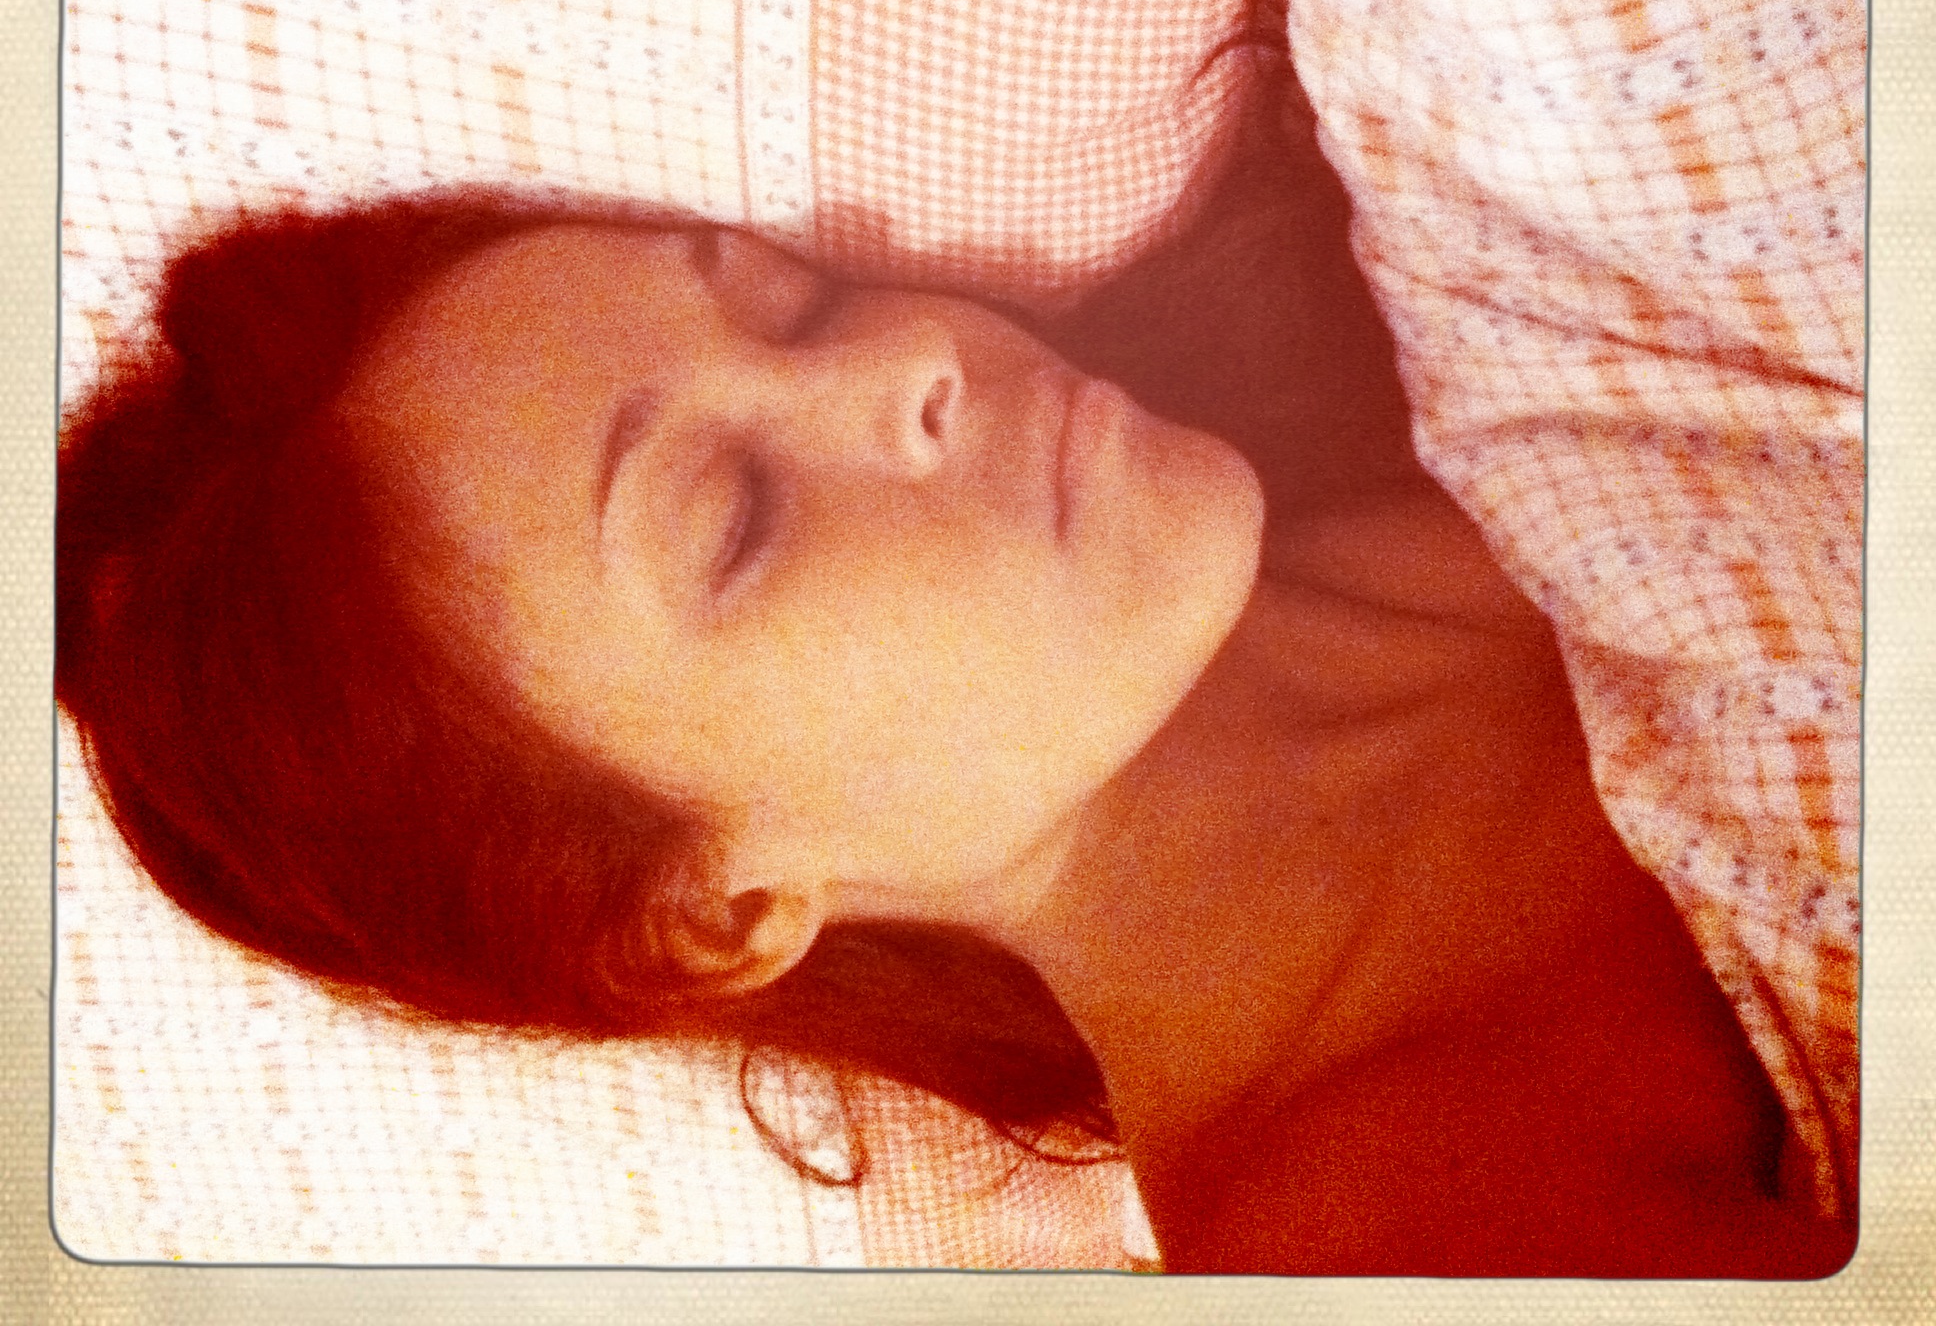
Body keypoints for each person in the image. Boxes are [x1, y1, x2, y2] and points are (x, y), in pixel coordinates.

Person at [56, 117, 1854, 1277]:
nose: (909, 362)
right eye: (738, 518)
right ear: (719, 913)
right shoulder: (1389, 1234)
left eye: (795, 305)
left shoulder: (1485, 263)